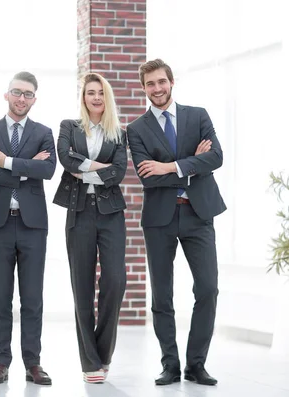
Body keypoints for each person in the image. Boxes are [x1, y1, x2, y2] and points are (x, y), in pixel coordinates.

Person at [126, 58, 225, 386]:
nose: (157, 89)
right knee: (162, 294)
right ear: (144, 89)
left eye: (161, 82)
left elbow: (216, 158)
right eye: (150, 84)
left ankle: (196, 364)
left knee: (208, 289)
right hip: (159, 219)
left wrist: (168, 166)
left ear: (171, 82)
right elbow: (147, 178)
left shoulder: (198, 116)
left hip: (198, 214)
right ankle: (170, 363)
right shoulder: (136, 129)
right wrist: (193, 163)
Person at [0, 71, 56, 386]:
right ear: (6, 94)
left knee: (33, 297)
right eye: (17, 92)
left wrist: (7, 163)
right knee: (0, 297)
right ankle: (1, 362)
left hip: (32, 224)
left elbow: (48, 170)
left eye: (28, 94)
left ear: (34, 99)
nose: (22, 98)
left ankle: (33, 363)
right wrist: (27, 168)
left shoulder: (44, 132)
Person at [53, 73, 127, 383]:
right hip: (79, 211)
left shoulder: (118, 133)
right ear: (83, 97)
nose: (95, 97)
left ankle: (103, 352)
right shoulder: (69, 126)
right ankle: (90, 361)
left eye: (100, 93)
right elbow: (65, 160)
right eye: (90, 92)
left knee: (115, 280)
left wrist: (84, 169)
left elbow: (120, 171)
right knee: (81, 287)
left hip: (110, 213)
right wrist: (99, 168)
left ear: (106, 98)